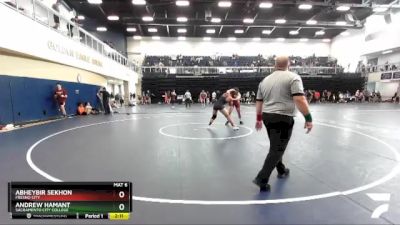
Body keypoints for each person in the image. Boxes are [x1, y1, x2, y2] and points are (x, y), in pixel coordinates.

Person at [253, 56, 313, 192]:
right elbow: (299, 99)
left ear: (274, 65)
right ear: (289, 64)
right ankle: (262, 178)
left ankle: (281, 169)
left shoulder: (264, 81)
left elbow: (259, 101)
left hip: (267, 117)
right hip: (283, 117)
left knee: (276, 146)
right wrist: (308, 118)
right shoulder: (293, 77)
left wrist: (258, 119)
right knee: (277, 149)